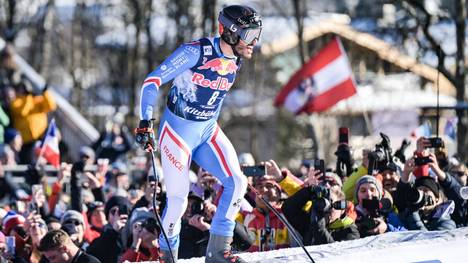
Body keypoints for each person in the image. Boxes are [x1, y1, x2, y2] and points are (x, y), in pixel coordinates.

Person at [135, 5, 262, 263]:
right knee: (178, 200)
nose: (255, 42)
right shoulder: (195, 52)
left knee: (237, 183)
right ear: (230, 33)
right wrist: (145, 123)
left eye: (257, 35)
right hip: (177, 133)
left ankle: (217, 254)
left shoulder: (236, 57)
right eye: (249, 35)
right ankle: (167, 257)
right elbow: (152, 81)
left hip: (207, 129)